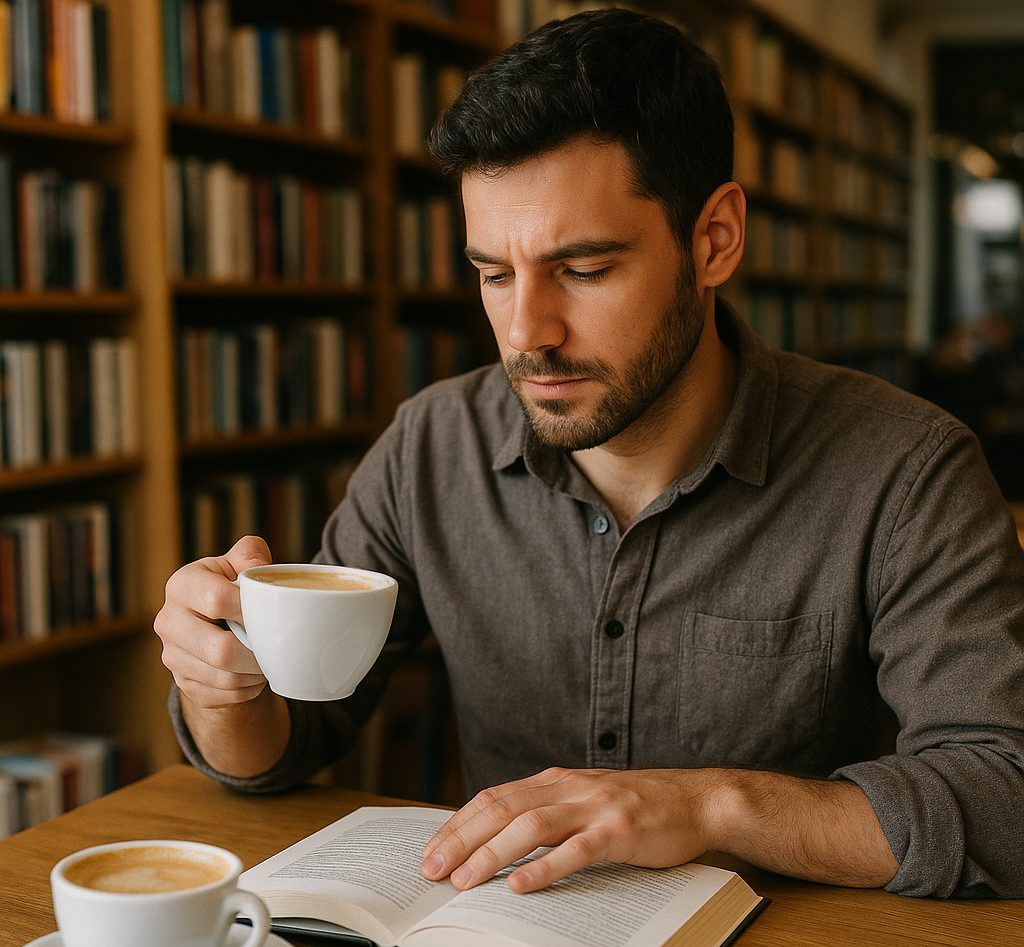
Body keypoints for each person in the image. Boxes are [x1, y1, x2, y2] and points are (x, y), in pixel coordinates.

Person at [154, 9, 1024, 900]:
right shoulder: (431, 447)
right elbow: (281, 750)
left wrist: (709, 808)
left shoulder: (907, 472)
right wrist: (226, 693)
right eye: (495, 274)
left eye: (585, 269)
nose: (527, 332)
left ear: (714, 239)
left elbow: (1007, 796)